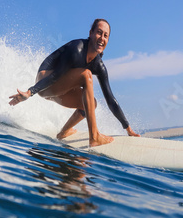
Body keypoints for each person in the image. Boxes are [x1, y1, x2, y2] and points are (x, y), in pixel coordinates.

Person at [9, 19, 139, 147]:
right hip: (45, 80)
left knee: (91, 103)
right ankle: (94, 137)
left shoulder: (99, 65)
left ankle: (63, 132)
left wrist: (128, 129)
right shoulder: (76, 49)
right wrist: (29, 92)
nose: (102, 38)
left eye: (106, 35)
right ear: (91, 33)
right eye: (99, 33)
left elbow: (110, 99)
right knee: (86, 75)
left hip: (60, 90)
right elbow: (55, 76)